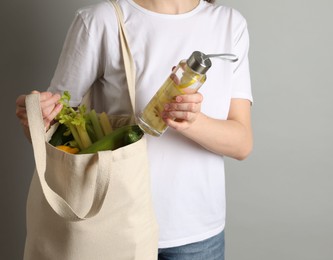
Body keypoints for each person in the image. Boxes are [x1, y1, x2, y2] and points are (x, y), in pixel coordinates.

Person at [15, 0, 253, 259]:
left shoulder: (230, 24)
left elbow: (242, 144)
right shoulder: (102, 20)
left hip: (197, 235)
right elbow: (56, 137)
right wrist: (38, 120)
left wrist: (193, 122)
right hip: (112, 227)